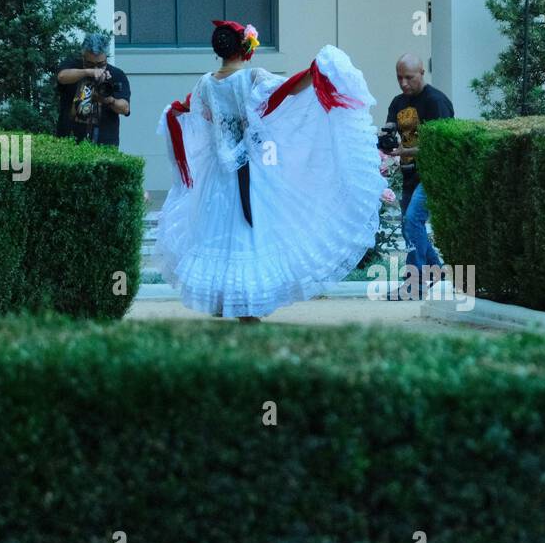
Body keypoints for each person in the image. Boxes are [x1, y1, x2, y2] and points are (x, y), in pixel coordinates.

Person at [157, 20, 382, 323]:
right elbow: (290, 88)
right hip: (250, 169)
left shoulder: (205, 83)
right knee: (249, 234)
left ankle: (224, 300)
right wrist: (319, 68)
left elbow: (192, 111)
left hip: (218, 173)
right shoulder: (251, 78)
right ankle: (247, 303)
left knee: (219, 234)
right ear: (245, 48)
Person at [385, 54, 454, 293]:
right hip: (409, 175)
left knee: (413, 219)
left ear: (422, 73)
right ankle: (437, 271)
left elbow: (444, 144)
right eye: (399, 77)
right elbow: (390, 132)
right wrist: (385, 147)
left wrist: (409, 149)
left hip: (433, 173)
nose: (404, 83)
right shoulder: (397, 103)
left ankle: (415, 283)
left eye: (409, 78)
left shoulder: (436, 102)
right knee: (409, 226)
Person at [56, 33, 131, 146]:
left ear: (106, 57)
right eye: (90, 64)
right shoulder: (73, 64)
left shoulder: (116, 74)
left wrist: (107, 99)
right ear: (83, 56)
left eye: (101, 64)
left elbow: (125, 108)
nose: (96, 68)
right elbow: (62, 77)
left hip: (104, 143)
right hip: (69, 141)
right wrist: (87, 72)